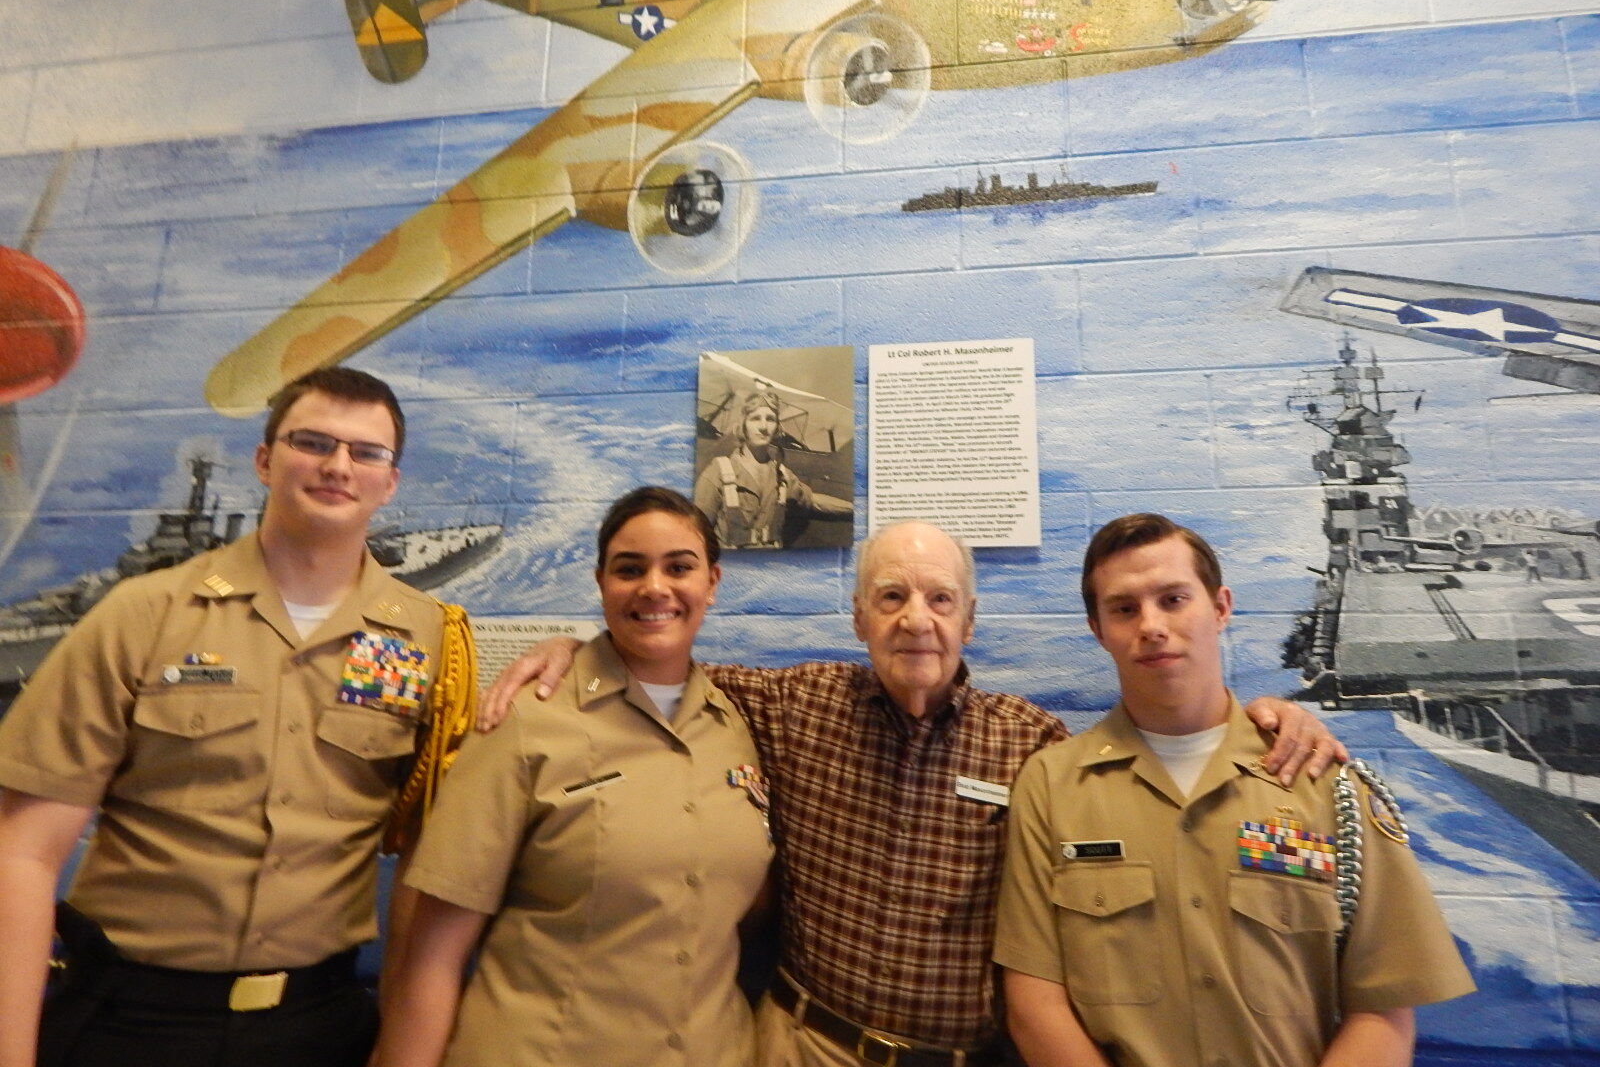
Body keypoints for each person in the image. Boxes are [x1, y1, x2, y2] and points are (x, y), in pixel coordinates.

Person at [482, 519, 1343, 1065]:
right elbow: (663, 665)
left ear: (969, 620)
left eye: (939, 599)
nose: (915, 619)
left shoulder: (1038, 748)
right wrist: (571, 649)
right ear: (859, 618)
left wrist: (1265, 717)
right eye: (890, 597)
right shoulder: (791, 704)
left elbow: (1157, 766)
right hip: (801, 1043)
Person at [0, 367, 471, 1067]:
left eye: (365, 452)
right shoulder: (145, 614)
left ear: (390, 481)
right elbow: (23, 852)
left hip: (318, 1028)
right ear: (265, 459)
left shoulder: (427, 639)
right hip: (132, 1025)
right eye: (312, 442)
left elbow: (429, 861)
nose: (338, 465)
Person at [995, 513, 1474, 1067]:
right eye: (1124, 609)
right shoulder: (1054, 787)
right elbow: (1035, 1005)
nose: (1151, 625)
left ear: (1220, 607)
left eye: (1173, 599)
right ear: (1098, 629)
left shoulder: (1321, 781)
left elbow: (1385, 1009)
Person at [370, 487, 772, 1067]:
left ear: (712, 581)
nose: (654, 587)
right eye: (629, 569)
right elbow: (433, 955)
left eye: (678, 567)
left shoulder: (736, 722)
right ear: (601, 582)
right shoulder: (525, 719)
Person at [693, 389, 852, 549]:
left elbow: (812, 502)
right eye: (755, 418)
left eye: (770, 419)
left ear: (777, 427)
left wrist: (854, 509)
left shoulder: (782, 475)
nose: (763, 427)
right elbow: (697, 534)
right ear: (744, 425)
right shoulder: (719, 471)